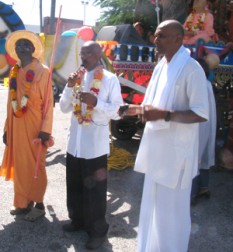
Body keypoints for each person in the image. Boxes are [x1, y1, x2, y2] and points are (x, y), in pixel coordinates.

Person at [121, 20, 209, 252]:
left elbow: (201, 114)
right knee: (152, 208)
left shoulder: (192, 69)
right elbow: (155, 105)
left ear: (178, 39)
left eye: (161, 36)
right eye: (156, 35)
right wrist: (138, 109)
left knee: (172, 215)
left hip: (176, 155)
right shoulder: (161, 65)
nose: (155, 40)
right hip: (157, 150)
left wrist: (165, 115)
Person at [59, 41, 123, 250]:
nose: (83, 57)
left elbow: (117, 111)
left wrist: (96, 103)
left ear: (98, 55)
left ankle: (97, 232)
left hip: (94, 146)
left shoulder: (110, 80)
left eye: (87, 54)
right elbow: (63, 108)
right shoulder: (76, 77)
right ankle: (77, 220)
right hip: (75, 145)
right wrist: (69, 87)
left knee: (95, 192)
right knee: (74, 186)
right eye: (81, 53)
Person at [0, 30, 54, 221]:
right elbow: (10, 104)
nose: (22, 48)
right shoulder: (15, 71)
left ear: (33, 49)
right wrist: (7, 129)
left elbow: (48, 104)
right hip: (16, 127)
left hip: (34, 126)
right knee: (21, 166)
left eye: (26, 45)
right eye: (19, 45)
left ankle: (38, 205)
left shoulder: (43, 71)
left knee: (35, 165)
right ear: (15, 50)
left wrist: (45, 130)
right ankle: (23, 203)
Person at [191, 58, 217, 206]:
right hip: (207, 125)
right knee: (204, 156)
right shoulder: (207, 84)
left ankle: (192, 194)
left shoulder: (199, 86)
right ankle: (203, 187)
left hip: (198, 126)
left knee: (194, 157)